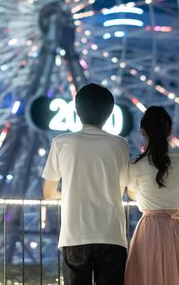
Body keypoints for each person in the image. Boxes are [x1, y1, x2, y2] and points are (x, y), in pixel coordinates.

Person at [42, 83, 130, 285]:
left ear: (76, 110)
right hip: (112, 233)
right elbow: (121, 189)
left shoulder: (61, 143)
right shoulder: (120, 144)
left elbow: (49, 193)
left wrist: (71, 193)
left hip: (75, 234)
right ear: (109, 114)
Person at [124, 106, 179, 285]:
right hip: (178, 229)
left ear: (143, 132)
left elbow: (133, 194)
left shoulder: (135, 164)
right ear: (169, 131)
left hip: (150, 229)